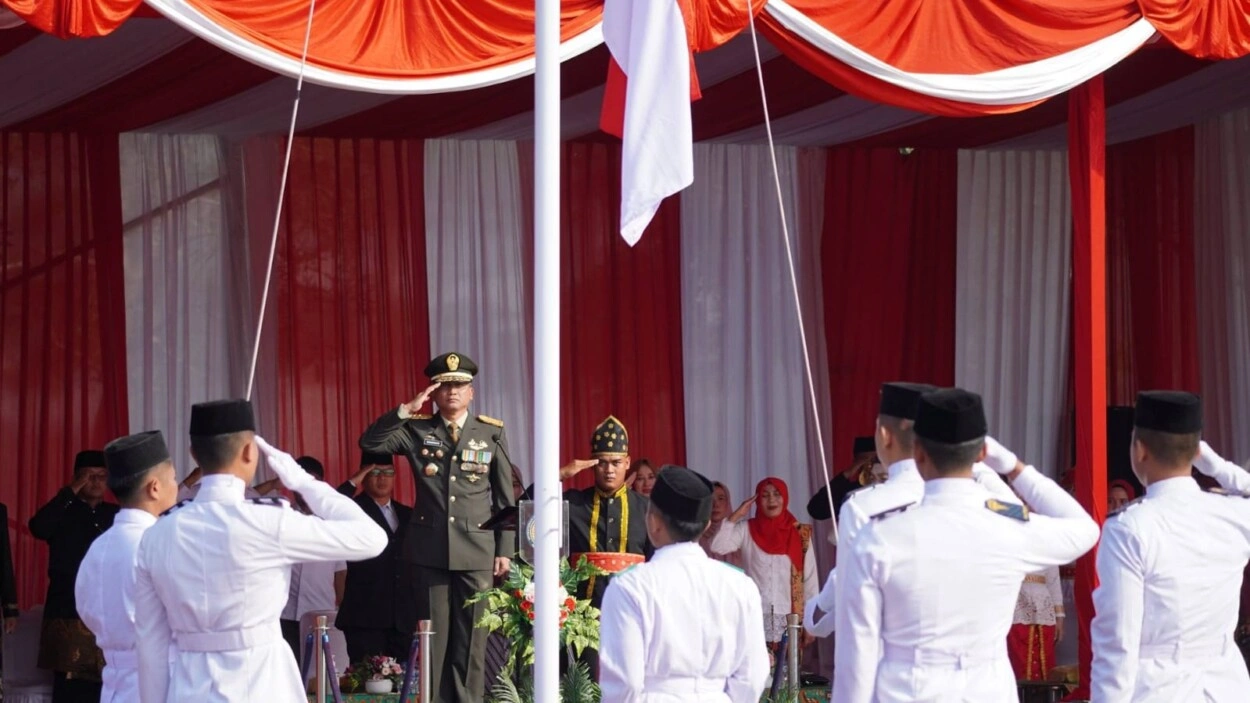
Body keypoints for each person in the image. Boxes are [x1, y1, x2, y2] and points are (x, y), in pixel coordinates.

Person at [835, 388, 1099, 703]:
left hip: (907, 690)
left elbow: (857, 659)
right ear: (982, 454)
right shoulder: (1008, 523)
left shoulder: (880, 537)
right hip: (988, 690)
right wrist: (1014, 467)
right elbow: (1085, 529)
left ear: (917, 452)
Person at [133, 399, 387, 703]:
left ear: (194, 455)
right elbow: (372, 538)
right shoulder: (269, 520)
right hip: (261, 681)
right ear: (250, 452)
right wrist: (304, 483)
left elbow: (150, 643)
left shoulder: (157, 533)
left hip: (189, 685)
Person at [359, 352, 515, 703]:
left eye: (459, 385)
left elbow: (505, 501)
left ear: (471, 392)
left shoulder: (491, 432)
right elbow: (370, 443)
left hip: (477, 551)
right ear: (434, 392)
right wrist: (404, 409)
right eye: (444, 386)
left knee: (472, 643)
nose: (452, 392)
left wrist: (505, 551)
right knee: (434, 640)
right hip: (430, 551)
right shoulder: (416, 430)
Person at [815, 383, 1019, 641]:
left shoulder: (862, 506)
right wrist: (976, 464)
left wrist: (816, 614)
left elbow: (850, 605)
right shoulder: (981, 498)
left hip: (895, 665)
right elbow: (1023, 518)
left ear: (884, 435)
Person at [1091, 391, 1250, 702]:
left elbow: (1118, 643)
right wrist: (1218, 468)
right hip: (1225, 688)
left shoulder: (1129, 527)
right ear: (1196, 452)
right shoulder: (1234, 514)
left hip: (1159, 689)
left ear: (1139, 450)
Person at [600, 465, 770, 703]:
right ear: (706, 524)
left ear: (653, 522)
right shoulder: (740, 585)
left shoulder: (630, 587)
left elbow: (624, 683)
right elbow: (752, 677)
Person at [74, 431, 179, 703]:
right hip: (162, 683)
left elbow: (86, 610)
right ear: (155, 487)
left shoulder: (98, 547)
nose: (177, 487)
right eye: (174, 479)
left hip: (115, 684)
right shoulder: (159, 544)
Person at [29, 449, 120, 702]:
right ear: (76, 478)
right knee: (69, 684)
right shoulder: (63, 510)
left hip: (106, 610)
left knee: (107, 681)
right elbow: (38, 527)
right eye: (88, 476)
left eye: (101, 476)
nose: (95, 482)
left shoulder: (114, 514)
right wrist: (69, 492)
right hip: (67, 608)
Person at [556, 416, 653, 608]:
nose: (609, 470)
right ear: (593, 463)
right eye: (602, 463)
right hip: (580, 618)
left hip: (634, 611)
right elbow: (526, 508)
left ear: (627, 463)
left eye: (616, 463)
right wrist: (559, 475)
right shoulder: (574, 504)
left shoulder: (647, 508)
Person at [711, 477, 818, 650]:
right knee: (756, 673)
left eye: (777, 494)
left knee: (788, 674)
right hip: (753, 616)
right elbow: (718, 546)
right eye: (765, 495)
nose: (771, 500)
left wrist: (809, 620)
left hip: (790, 618)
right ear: (757, 500)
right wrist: (736, 515)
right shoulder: (746, 529)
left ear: (785, 497)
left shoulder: (800, 533)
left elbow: (810, 578)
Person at [336, 451, 415, 663]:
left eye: (388, 472)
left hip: (402, 618)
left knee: (404, 689)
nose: (382, 478)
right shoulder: (353, 509)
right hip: (365, 617)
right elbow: (330, 507)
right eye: (375, 473)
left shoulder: (407, 513)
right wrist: (355, 479)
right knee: (368, 686)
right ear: (364, 476)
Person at [279, 456, 346, 661]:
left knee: (319, 676)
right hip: (284, 614)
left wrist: (341, 610)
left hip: (321, 615)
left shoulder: (332, 523)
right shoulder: (282, 517)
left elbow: (340, 571)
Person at [806, 437, 878, 523]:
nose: (870, 466)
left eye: (875, 461)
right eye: (865, 461)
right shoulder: (849, 492)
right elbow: (816, 510)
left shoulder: (889, 488)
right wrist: (847, 474)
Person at [698, 482, 742, 568]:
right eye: (710, 500)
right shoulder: (696, 538)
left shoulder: (740, 533)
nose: (716, 505)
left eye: (721, 498)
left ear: (728, 502)